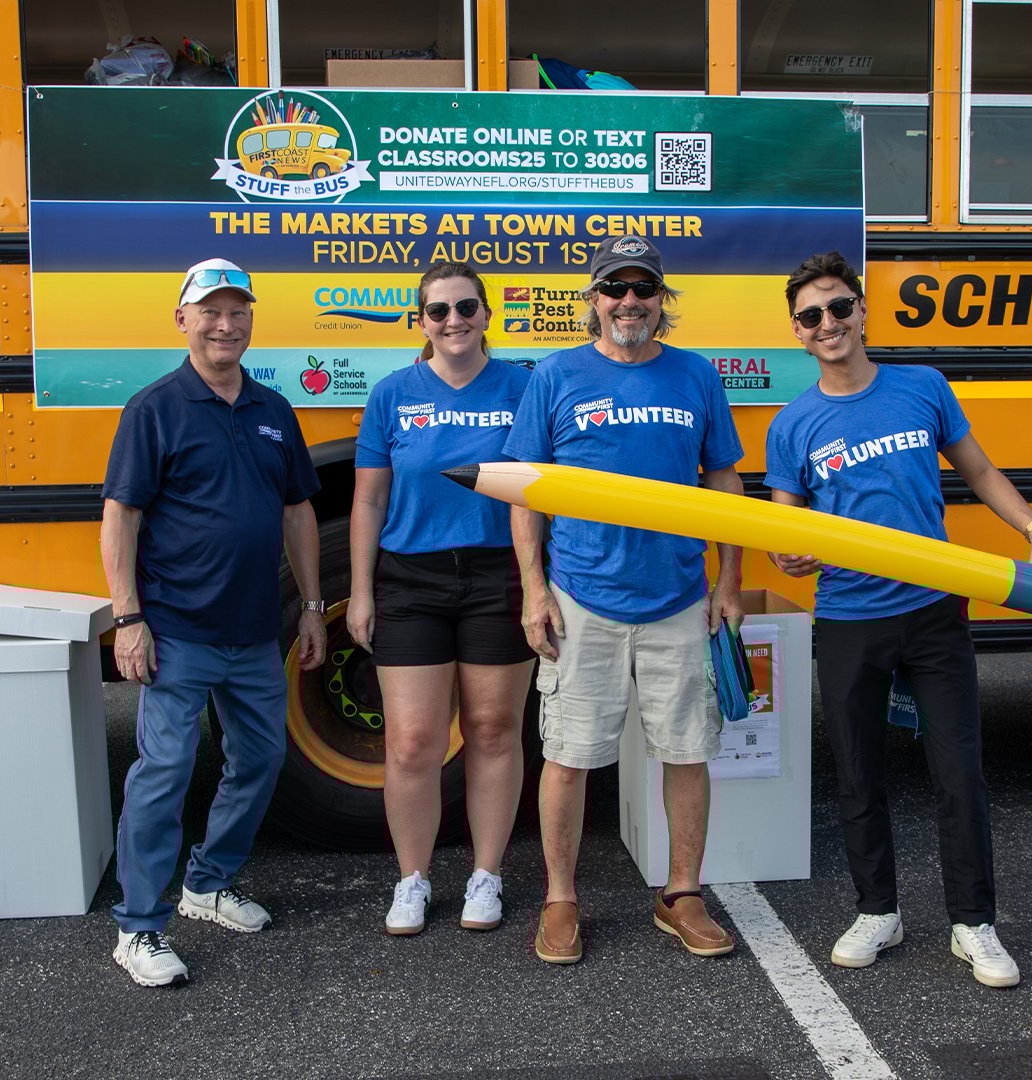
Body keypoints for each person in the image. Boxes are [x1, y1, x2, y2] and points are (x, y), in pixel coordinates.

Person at [765, 250, 1032, 989]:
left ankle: (973, 923)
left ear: (863, 311)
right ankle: (879, 910)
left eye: (840, 307)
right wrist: (790, 557)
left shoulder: (922, 388)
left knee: (958, 772)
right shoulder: (794, 424)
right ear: (797, 333)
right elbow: (786, 526)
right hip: (849, 617)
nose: (829, 323)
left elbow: (978, 470)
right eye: (812, 315)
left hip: (935, 609)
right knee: (858, 774)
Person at [504, 236, 744, 964]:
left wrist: (729, 581)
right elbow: (525, 492)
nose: (629, 302)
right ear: (593, 301)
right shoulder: (554, 375)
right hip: (582, 599)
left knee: (687, 751)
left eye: (644, 289)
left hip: (677, 596)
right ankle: (560, 900)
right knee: (569, 758)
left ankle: (682, 897)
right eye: (615, 289)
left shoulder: (696, 376)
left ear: (662, 301)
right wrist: (533, 588)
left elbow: (725, 485)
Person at [101, 257, 326, 987]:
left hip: (256, 632)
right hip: (176, 632)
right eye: (210, 311)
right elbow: (121, 517)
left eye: (237, 311)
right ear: (183, 320)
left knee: (260, 761)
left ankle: (208, 882)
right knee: (162, 773)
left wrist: (316, 607)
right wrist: (129, 617)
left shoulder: (272, 412)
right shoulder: (154, 409)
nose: (225, 325)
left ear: (251, 321)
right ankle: (138, 928)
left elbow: (297, 509)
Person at [347, 262, 536, 936]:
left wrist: (540, 584)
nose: (452, 320)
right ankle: (413, 880)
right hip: (410, 580)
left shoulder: (523, 385)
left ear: (488, 314)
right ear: (419, 322)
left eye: (465, 307)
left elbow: (543, 489)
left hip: (498, 577)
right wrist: (361, 592)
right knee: (413, 743)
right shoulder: (393, 393)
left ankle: (487, 876)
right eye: (438, 311)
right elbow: (368, 498)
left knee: (491, 729)